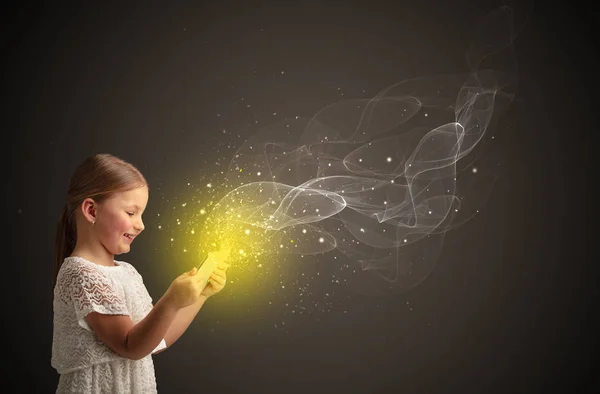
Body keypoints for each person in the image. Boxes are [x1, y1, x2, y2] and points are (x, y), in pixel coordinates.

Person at [51, 153, 229, 393]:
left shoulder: (127, 272)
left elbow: (156, 341)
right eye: (131, 213)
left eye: (141, 214)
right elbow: (130, 345)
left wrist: (200, 296)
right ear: (91, 211)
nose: (141, 224)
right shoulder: (81, 273)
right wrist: (171, 300)